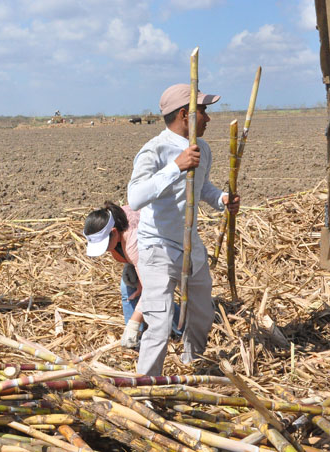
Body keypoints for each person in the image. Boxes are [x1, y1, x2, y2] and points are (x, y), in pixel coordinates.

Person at [127, 83, 240, 375]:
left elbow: (203, 189)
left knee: (203, 314)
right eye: (202, 111)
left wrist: (222, 199)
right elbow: (136, 197)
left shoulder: (202, 149)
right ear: (184, 115)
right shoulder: (155, 150)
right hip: (158, 247)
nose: (208, 118)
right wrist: (175, 167)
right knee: (160, 321)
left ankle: (193, 367)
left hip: (191, 244)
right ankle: (145, 386)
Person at [83, 202, 183, 348]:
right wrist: (136, 270)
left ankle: (183, 329)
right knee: (128, 288)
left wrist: (134, 323)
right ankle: (135, 341)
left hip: (167, 253)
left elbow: (152, 290)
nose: (105, 251)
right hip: (145, 256)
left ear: (114, 232)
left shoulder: (135, 242)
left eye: (105, 245)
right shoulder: (114, 216)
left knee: (159, 297)